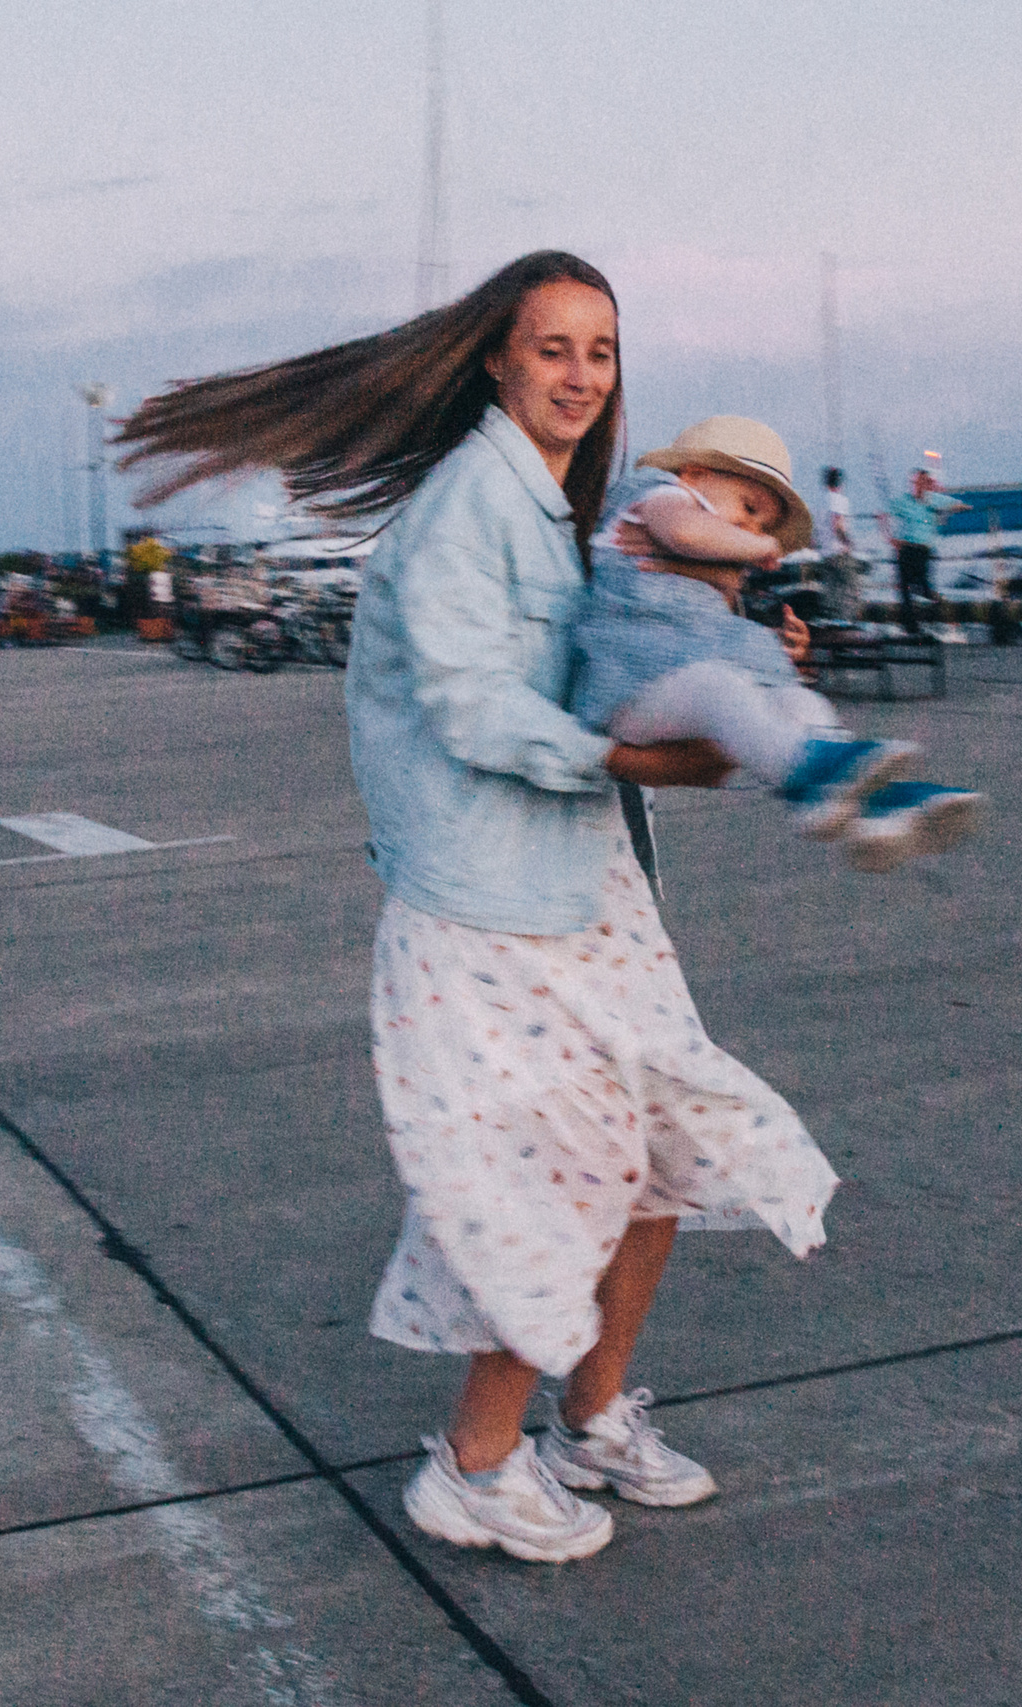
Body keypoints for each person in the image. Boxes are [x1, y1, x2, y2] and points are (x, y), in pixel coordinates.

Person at [118, 252, 843, 1564]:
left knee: (666, 1143)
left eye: (602, 351)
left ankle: (595, 1414)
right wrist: (628, 758)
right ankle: (475, 1463)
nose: (579, 375)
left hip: (582, 885)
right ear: (498, 360)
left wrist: (743, 650)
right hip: (486, 907)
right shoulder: (467, 506)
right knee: (556, 1180)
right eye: (554, 347)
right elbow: (470, 701)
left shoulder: (563, 510)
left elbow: (612, 656)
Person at [570, 414, 983, 865]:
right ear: (694, 474)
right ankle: (817, 772)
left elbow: (704, 621)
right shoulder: (657, 496)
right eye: (748, 509)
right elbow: (686, 532)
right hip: (627, 685)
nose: (751, 532)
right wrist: (760, 550)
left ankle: (869, 807)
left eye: (762, 527)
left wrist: (774, 641)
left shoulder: (708, 558)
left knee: (796, 702)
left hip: (673, 684)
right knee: (720, 689)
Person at [883, 467, 964, 635]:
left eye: (922, 482)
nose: (918, 486)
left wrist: (949, 503)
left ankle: (942, 615)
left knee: (922, 586)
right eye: (916, 482)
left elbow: (957, 505)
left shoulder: (934, 500)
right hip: (906, 547)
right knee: (905, 589)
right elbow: (883, 514)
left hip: (923, 549)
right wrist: (890, 538)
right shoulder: (904, 501)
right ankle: (912, 627)